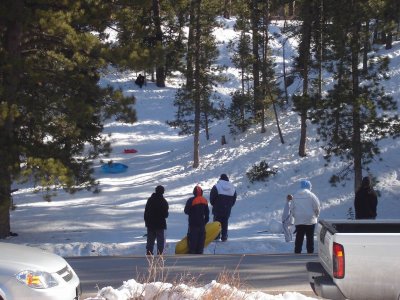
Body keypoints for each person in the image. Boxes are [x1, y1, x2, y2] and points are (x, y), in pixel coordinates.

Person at [291, 180, 320, 254]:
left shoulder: (295, 195)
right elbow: (317, 207)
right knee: (310, 237)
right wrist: (316, 216)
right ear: (309, 186)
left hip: (299, 220)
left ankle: (297, 251)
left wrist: (296, 216)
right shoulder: (311, 195)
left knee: (299, 237)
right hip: (310, 219)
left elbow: (292, 208)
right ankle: (310, 252)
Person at [210, 174, 237, 242]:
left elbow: (212, 198)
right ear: (227, 179)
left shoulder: (217, 186)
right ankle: (224, 236)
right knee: (225, 222)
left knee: (216, 222)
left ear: (220, 179)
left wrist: (214, 204)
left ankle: (216, 236)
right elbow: (234, 199)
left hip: (217, 208)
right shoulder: (232, 188)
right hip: (227, 209)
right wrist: (230, 206)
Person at [144, 185, 169, 255]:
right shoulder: (164, 202)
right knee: (160, 240)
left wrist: (146, 222)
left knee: (150, 240)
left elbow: (146, 212)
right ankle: (160, 254)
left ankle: (149, 253)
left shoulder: (150, 200)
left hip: (150, 224)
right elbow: (166, 215)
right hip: (160, 224)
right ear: (163, 192)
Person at [184, 185, 210, 254]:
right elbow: (207, 212)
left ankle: (192, 251)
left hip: (193, 222)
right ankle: (200, 250)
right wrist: (205, 221)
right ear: (201, 193)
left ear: (194, 192)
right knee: (201, 237)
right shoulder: (204, 200)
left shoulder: (191, 200)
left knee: (193, 237)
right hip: (202, 222)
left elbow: (186, 211)